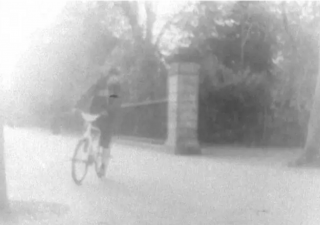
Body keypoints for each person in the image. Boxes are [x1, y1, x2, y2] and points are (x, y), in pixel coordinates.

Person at [89, 67, 122, 177]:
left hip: (109, 117)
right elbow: (92, 97)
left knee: (105, 143)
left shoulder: (115, 88)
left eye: (116, 77)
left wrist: (107, 110)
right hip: (98, 114)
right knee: (91, 132)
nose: (115, 79)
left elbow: (115, 103)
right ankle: (91, 153)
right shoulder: (102, 84)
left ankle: (103, 166)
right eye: (115, 76)